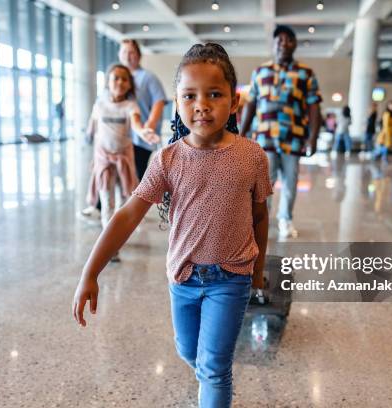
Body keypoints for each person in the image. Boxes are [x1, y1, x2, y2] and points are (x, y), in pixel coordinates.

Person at [72, 43, 272, 408]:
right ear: (177, 102)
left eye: (215, 94)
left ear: (235, 101)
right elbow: (127, 214)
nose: (202, 104)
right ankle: (209, 381)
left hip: (231, 277)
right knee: (188, 352)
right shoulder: (168, 159)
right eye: (190, 95)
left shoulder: (251, 156)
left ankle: (213, 388)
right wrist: (91, 271)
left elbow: (260, 215)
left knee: (214, 368)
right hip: (182, 278)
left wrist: (258, 271)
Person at [240, 25, 322, 239]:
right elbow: (250, 103)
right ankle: (261, 221)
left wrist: (313, 137)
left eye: (288, 40)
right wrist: (242, 133)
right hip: (265, 138)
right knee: (264, 184)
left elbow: (314, 107)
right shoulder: (260, 72)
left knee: (290, 183)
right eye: (280, 40)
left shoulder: (305, 73)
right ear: (274, 44)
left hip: (293, 139)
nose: (284, 43)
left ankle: (285, 219)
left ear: (294, 44)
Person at [82, 64, 159, 232]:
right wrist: (87, 135)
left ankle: (115, 236)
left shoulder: (130, 106)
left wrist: (144, 132)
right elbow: (92, 125)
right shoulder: (100, 105)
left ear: (130, 84)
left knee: (122, 201)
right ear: (108, 82)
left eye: (125, 79)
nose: (120, 82)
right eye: (116, 78)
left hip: (123, 159)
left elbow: (137, 124)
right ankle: (108, 239)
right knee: (106, 198)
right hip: (103, 160)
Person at [118, 39, 167, 180]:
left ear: (139, 55)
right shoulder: (117, 78)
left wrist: (149, 125)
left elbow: (159, 101)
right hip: (120, 136)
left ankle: (136, 201)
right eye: (124, 52)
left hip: (140, 138)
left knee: (137, 176)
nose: (127, 56)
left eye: (131, 52)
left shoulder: (148, 77)